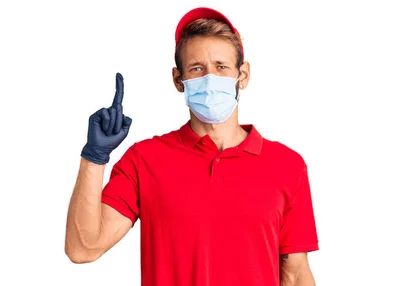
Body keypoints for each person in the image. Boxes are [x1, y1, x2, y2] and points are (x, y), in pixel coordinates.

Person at [64, 7, 319, 286]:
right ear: (178, 79)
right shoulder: (145, 160)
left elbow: (294, 275)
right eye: (197, 69)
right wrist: (94, 156)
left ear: (242, 75)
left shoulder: (286, 165)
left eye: (221, 67)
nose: (210, 79)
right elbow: (82, 249)